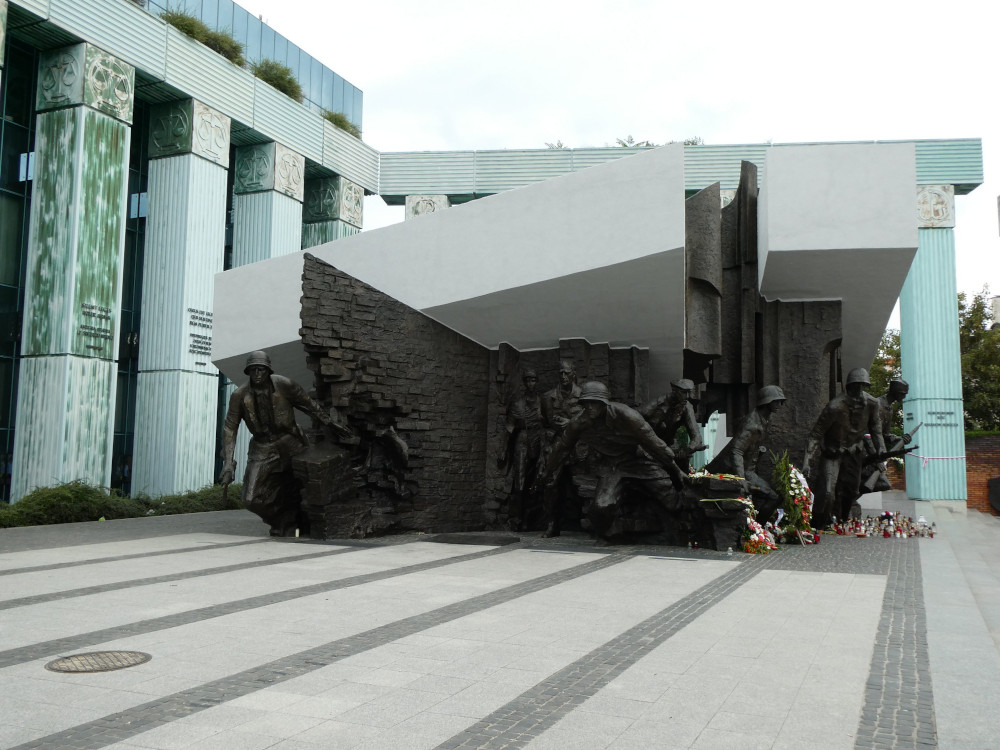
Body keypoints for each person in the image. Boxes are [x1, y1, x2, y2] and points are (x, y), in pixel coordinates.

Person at [535, 381, 686, 539]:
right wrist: (547, 473)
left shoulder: (627, 415)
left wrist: (677, 470)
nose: (590, 407)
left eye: (594, 403)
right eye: (587, 403)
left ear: (604, 404)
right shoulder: (579, 423)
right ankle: (615, 532)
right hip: (611, 466)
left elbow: (655, 443)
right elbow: (560, 450)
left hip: (637, 459)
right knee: (601, 507)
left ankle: (686, 528)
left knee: (670, 499)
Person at [220, 350, 342, 536]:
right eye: (253, 370)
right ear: (248, 372)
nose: (257, 374)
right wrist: (229, 462)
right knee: (250, 498)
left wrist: (331, 423)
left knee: (302, 486)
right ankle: (283, 519)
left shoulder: (285, 385)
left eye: (261, 370)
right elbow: (230, 427)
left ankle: (304, 523)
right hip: (262, 447)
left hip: (291, 441)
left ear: (268, 370)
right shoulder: (239, 395)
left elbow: (309, 405)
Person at [802, 368, 885, 527]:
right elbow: (815, 434)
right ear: (849, 387)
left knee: (852, 491)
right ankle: (818, 523)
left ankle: (842, 520)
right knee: (827, 492)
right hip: (832, 453)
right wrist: (807, 460)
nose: (860, 391)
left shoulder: (872, 404)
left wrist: (880, 447)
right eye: (856, 386)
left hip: (854, 453)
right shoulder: (834, 407)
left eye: (863, 386)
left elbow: (875, 427)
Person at [706, 385, 785, 523]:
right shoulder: (751, 424)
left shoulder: (763, 419)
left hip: (747, 469)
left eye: (780, 401)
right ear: (767, 402)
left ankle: (756, 529)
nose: (779, 404)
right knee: (773, 497)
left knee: (771, 497)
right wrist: (741, 479)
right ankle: (756, 529)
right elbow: (736, 450)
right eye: (776, 401)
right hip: (732, 470)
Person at [538, 360, 583, 536]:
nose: (563, 376)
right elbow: (543, 424)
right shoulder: (547, 397)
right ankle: (552, 523)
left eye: (567, 373)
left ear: (573, 374)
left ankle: (590, 523)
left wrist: (571, 423)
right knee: (550, 484)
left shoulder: (583, 396)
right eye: (561, 373)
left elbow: (590, 421)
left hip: (578, 446)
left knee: (582, 484)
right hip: (556, 446)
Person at [498, 369, 545, 530]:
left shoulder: (543, 402)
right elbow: (509, 428)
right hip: (522, 441)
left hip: (539, 440)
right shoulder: (517, 404)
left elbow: (547, 424)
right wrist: (503, 449)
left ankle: (534, 518)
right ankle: (516, 519)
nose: (531, 383)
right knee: (520, 481)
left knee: (539, 479)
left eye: (533, 380)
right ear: (524, 383)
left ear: (537, 382)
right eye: (528, 380)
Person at [640, 378, 708, 471]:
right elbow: (636, 418)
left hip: (670, 446)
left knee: (682, 463)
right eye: (684, 392)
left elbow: (696, 436)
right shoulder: (658, 403)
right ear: (674, 391)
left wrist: (687, 449)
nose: (687, 396)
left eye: (689, 392)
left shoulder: (686, 406)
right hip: (650, 446)